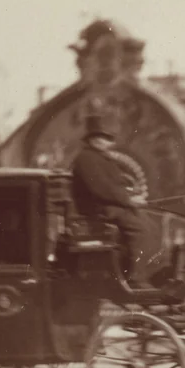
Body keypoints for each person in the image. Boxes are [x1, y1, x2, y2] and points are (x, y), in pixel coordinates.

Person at [69, 115, 149, 284]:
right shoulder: (86, 159)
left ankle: (147, 273)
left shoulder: (103, 159)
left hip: (111, 207)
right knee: (139, 229)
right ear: (90, 139)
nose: (101, 141)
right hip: (98, 209)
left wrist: (131, 195)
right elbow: (101, 188)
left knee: (150, 224)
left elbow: (116, 185)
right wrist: (129, 200)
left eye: (105, 138)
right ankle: (136, 278)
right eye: (97, 137)